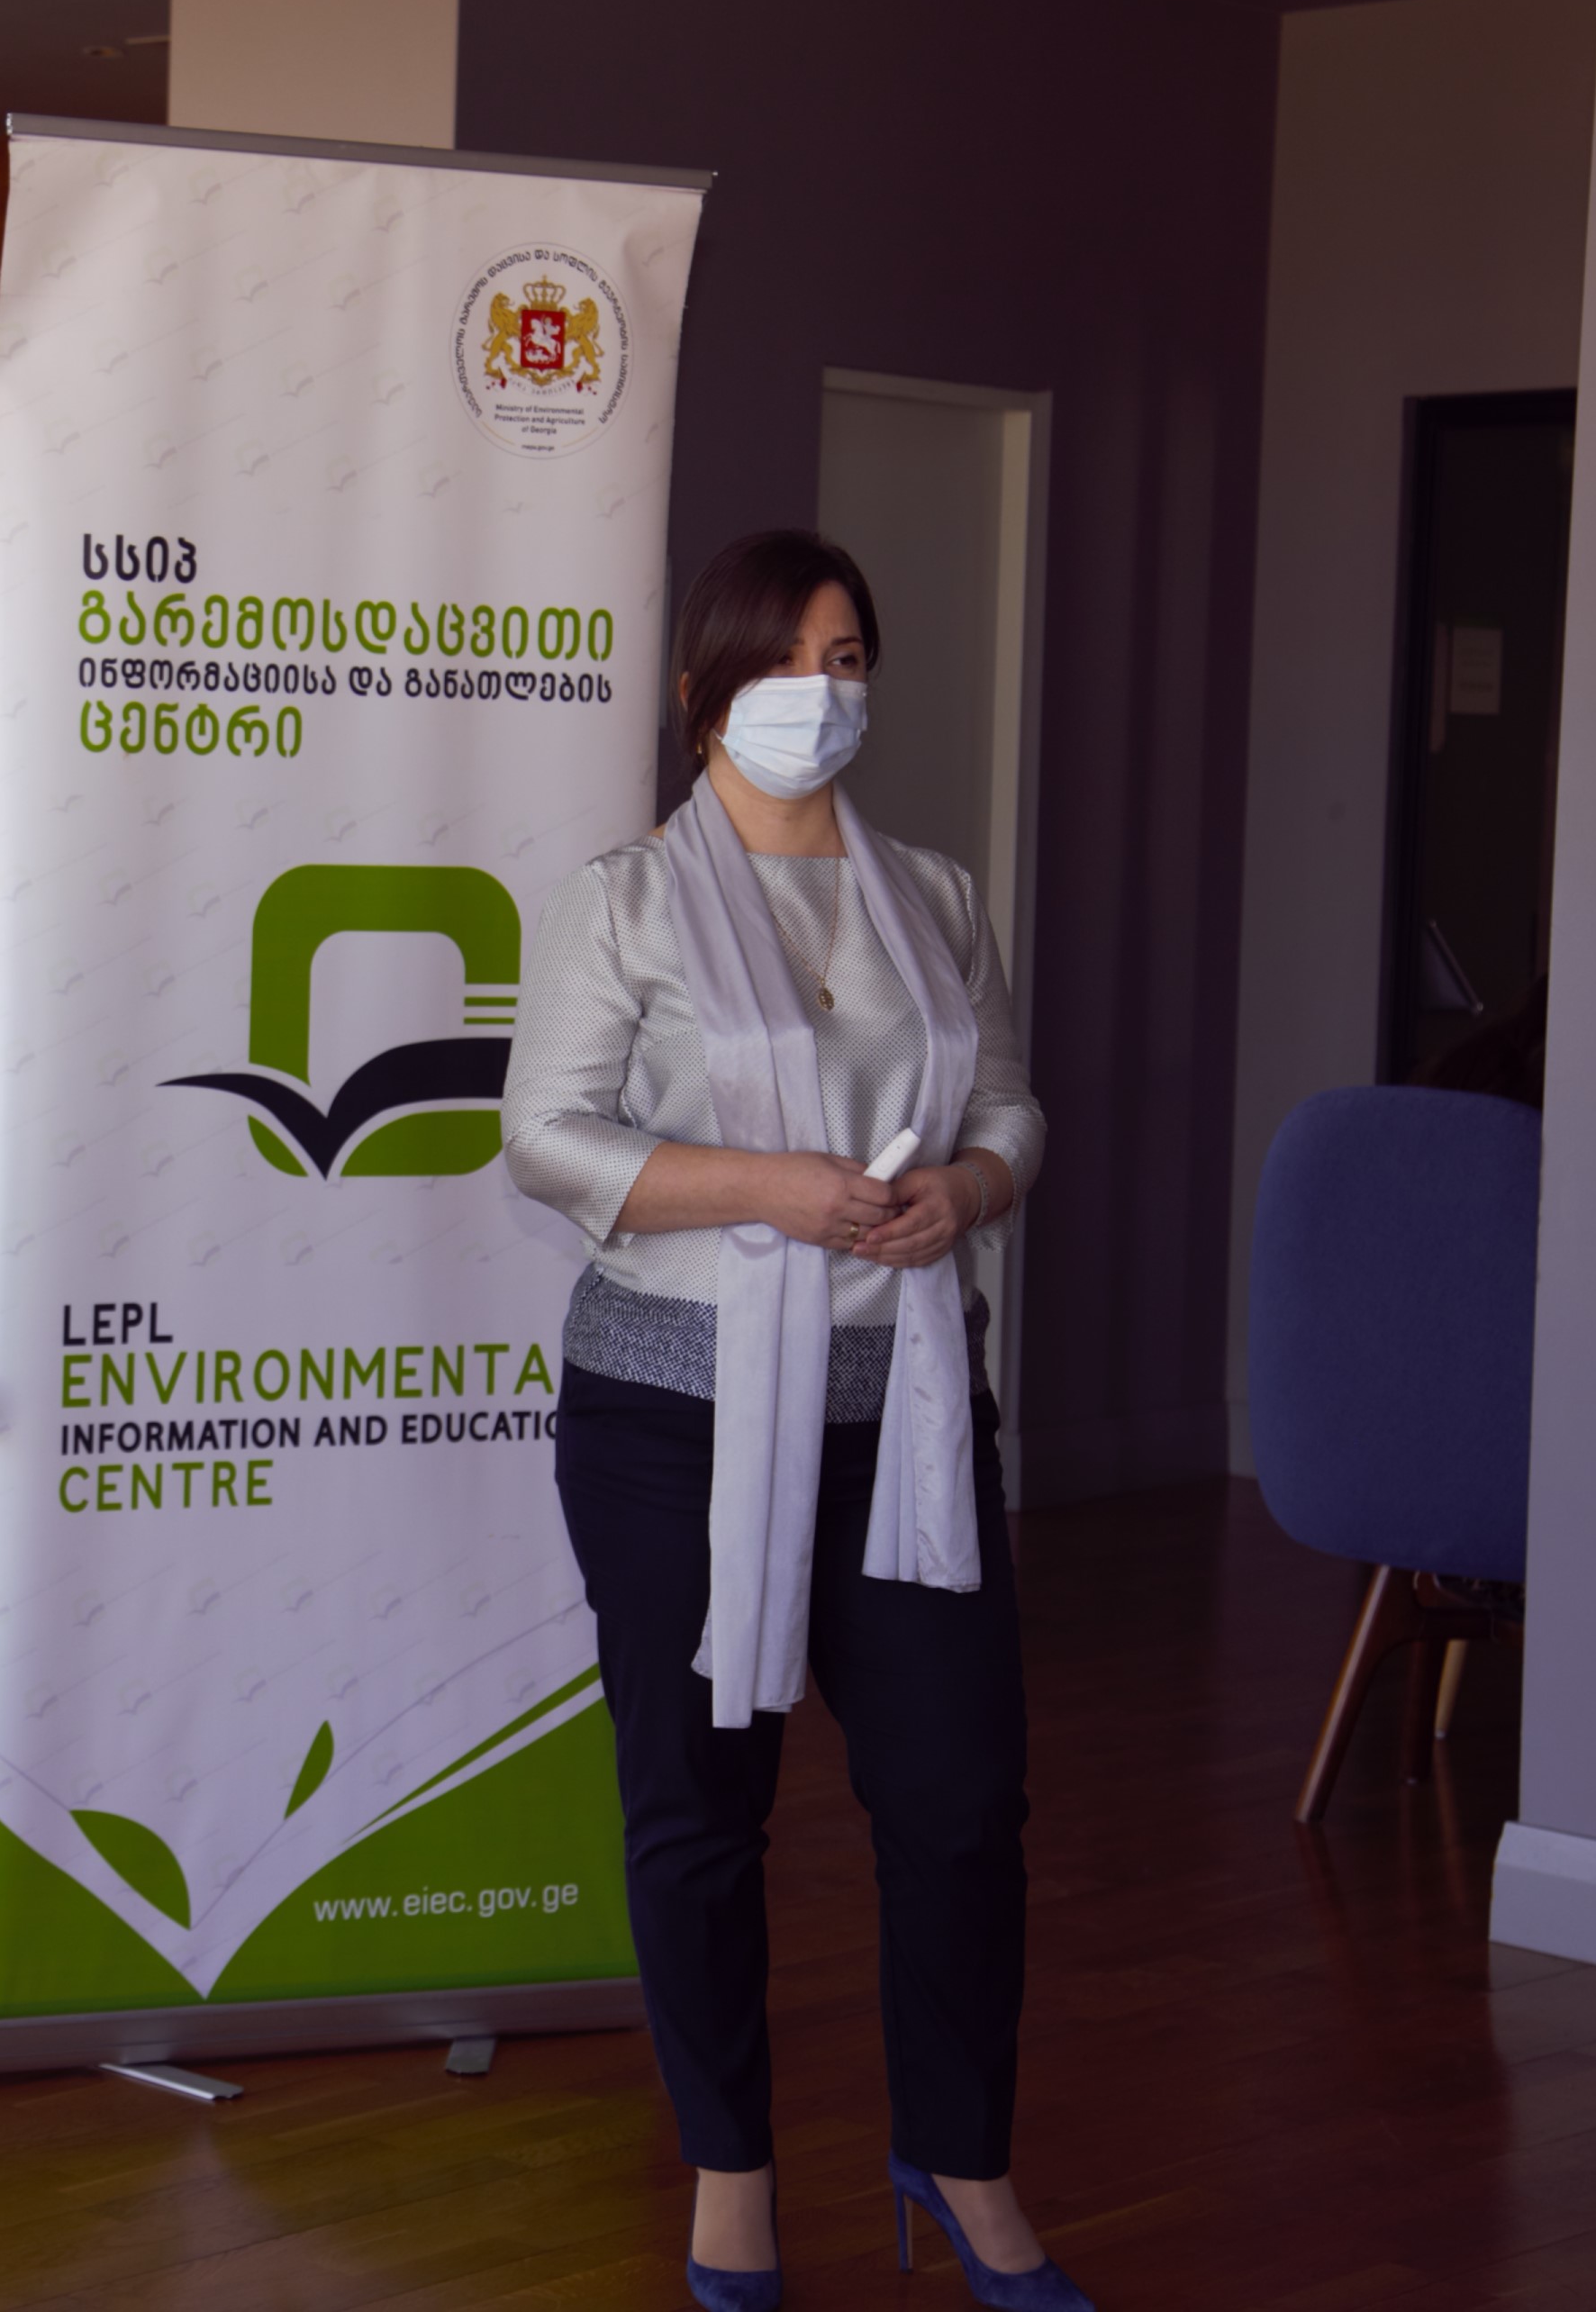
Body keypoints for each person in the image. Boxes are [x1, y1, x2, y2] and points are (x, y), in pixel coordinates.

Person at [501, 530, 1080, 2311]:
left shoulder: (936, 896)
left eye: (845, 660)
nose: (817, 695)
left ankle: (959, 2162)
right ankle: (731, 2182)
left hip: (910, 1424)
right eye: (781, 663)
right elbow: (546, 1138)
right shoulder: (624, 901)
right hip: (671, 1428)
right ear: (702, 696)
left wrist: (967, 1192)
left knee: (962, 1807)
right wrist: (776, 1184)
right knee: (699, 1815)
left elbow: (1008, 1103)